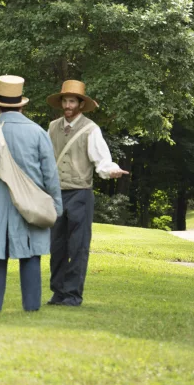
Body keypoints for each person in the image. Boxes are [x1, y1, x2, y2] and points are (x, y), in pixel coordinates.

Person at [0, 75, 62, 313]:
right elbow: (50, 175)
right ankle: (32, 307)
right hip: (32, 204)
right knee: (31, 254)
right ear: (22, 104)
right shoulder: (38, 133)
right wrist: (56, 206)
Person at [46, 80, 129, 307]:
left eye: (72, 101)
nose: (68, 105)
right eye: (65, 100)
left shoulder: (91, 129)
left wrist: (111, 170)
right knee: (57, 246)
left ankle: (73, 295)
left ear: (81, 104)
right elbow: (44, 158)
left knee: (78, 247)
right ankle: (58, 292)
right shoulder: (52, 127)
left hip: (80, 194)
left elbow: (101, 159)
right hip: (56, 195)